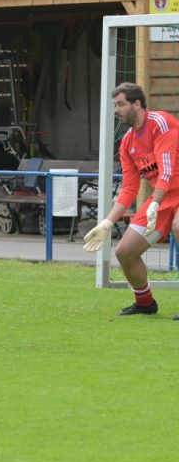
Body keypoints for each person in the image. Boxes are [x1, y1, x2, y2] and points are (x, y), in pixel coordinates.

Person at [83, 81, 179, 317]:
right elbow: (129, 189)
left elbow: (166, 171)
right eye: (115, 105)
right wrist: (106, 223)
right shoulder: (127, 142)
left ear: (137, 104)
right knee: (125, 251)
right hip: (162, 198)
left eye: (120, 104)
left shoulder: (161, 122)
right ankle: (145, 303)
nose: (116, 110)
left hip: (166, 195)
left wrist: (154, 202)